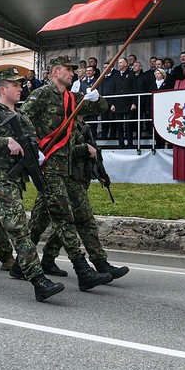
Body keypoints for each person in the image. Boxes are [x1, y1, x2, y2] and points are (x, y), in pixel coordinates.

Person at [0, 67, 65, 302]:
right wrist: (6, 140)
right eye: (15, 85)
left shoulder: (22, 115)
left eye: (21, 84)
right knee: (17, 224)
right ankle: (38, 279)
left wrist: (36, 154)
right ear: (2, 88)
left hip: (16, 177)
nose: (20, 88)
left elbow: (31, 140)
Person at [21, 55, 114, 291]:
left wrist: (97, 97)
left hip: (66, 167)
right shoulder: (42, 94)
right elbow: (23, 120)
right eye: (69, 70)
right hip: (48, 163)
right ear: (55, 71)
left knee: (49, 216)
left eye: (74, 71)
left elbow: (100, 108)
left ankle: (23, 263)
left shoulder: (71, 98)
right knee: (63, 216)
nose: (73, 74)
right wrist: (35, 148)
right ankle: (82, 270)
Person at [29, 118, 129, 280]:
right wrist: (84, 148)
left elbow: (93, 153)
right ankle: (23, 260)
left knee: (74, 223)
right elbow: (60, 151)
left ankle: (52, 258)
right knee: (38, 224)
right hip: (61, 180)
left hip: (77, 182)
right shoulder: (65, 125)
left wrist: (100, 173)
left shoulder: (84, 127)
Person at [106, 57, 137, 148]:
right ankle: (121, 143)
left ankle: (130, 143)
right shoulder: (115, 75)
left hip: (128, 103)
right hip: (118, 104)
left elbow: (135, 89)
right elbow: (113, 90)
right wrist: (112, 104)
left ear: (125, 64)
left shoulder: (131, 74)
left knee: (128, 125)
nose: (118, 64)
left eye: (120, 62)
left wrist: (134, 102)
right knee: (119, 125)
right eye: (118, 63)